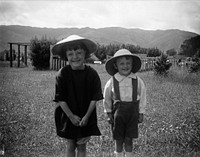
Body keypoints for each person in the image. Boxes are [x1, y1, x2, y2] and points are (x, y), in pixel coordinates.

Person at [52, 35, 103, 157]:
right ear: (66, 56)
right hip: (68, 115)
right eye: (70, 54)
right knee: (70, 145)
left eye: (79, 53)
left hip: (86, 115)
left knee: (81, 145)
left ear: (85, 53)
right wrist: (71, 116)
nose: (75, 57)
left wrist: (86, 117)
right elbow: (61, 99)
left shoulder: (92, 74)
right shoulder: (62, 74)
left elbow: (94, 98)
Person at [103, 49, 146, 157]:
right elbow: (107, 98)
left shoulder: (137, 80)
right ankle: (118, 154)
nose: (125, 66)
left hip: (132, 114)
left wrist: (141, 113)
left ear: (132, 65)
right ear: (116, 66)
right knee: (118, 138)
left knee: (129, 138)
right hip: (118, 115)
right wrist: (108, 113)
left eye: (128, 63)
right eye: (121, 63)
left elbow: (143, 97)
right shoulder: (112, 81)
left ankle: (129, 155)